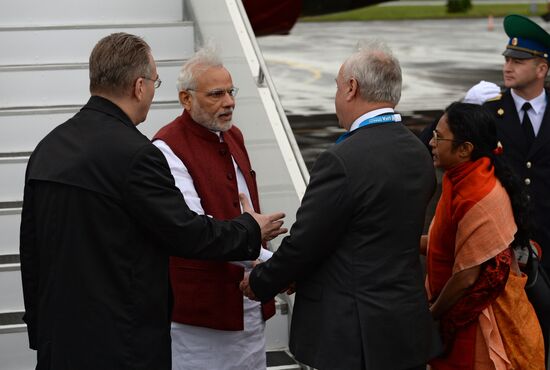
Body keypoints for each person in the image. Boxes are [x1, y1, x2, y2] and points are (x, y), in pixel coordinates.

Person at [19, 32, 286, 370]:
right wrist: (250, 229)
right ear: (139, 86)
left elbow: (31, 250)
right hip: (120, 344)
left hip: (59, 341)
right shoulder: (138, 155)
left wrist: (40, 333)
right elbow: (187, 234)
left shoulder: (48, 148)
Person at [240, 40, 441, 370]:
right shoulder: (417, 152)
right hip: (404, 328)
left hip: (352, 335)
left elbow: (306, 243)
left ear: (351, 88)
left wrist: (263, 282)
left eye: (336, 87)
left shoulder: (342, 159)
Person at [152, 47, 276, 369]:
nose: (230, 102)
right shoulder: (167, 147)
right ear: (185, 99)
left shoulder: (234, 135)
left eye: (231, 92)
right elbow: (195, 229)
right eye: (216, 94)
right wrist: (277, 263)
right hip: (203, 319)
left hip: (249, 303)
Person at [424, 102, 544, 369]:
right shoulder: (458, 178)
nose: (432, 142)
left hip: (477, 320)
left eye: (438, 136)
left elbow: (467, 276)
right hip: (455, 310)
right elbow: (442, 242)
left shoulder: (477, 194)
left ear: (465, 149)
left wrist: (433, 313)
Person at [481, 14, 550, 361]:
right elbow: (435, 144)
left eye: (519, 61)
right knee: (510, 340)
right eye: (507, 59)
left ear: (542, 69)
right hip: (507, 247)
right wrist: (463, 107)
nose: (508, 66)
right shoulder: (490, 113)